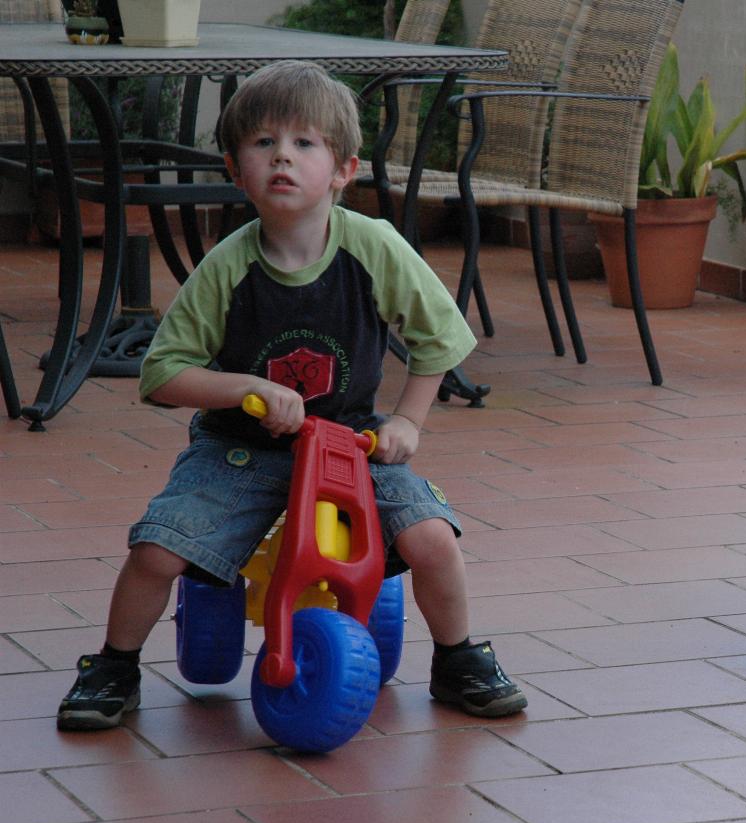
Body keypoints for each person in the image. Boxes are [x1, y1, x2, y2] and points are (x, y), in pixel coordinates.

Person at [57, 60, 526, 730]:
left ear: (343, 170)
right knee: (157, 550)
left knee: (432, 537)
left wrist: (407, 421)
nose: (283, 156)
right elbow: (162, 374)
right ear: (235, 168)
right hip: (239, 448)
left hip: (351, 444)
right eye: (263, 142)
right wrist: (245, 388)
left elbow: (441, 339)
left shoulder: (374, 247)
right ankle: (113, 664)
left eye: (305, 143)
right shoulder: (227, 266)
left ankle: (457, 658)